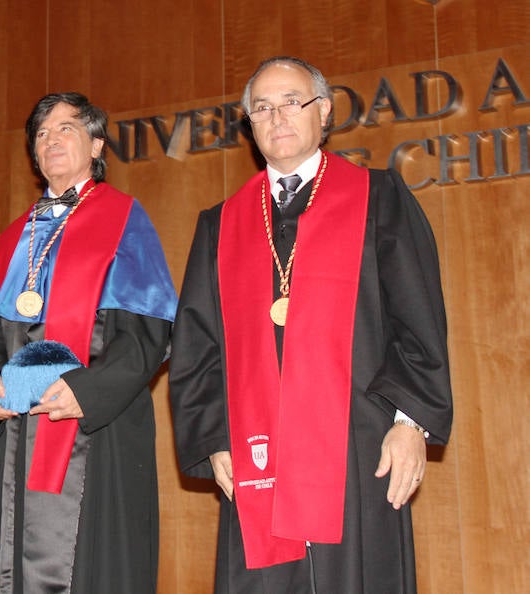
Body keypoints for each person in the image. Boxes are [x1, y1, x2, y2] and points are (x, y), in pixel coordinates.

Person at [169, 56, 454, 593]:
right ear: (249, 127)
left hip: (360, 447)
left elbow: (418, 319)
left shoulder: (378, 197)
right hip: (258, 454)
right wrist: (213, 438)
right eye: (261, 107)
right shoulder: (220, 225)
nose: (277, 116)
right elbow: (196, 349)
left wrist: (410, 423)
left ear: (323, 112)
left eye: (291, 102)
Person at [0, 92, 177, 593]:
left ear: (97, 144)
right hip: (20, 440)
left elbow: (145, 337)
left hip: (98, 432)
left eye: (66, 128)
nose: (51, 140)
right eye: (41, 133)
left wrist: (86, 392)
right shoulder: (15, 237)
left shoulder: (124, 219)